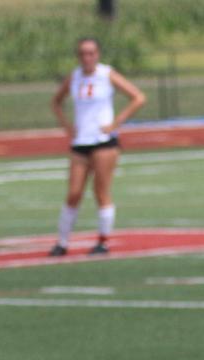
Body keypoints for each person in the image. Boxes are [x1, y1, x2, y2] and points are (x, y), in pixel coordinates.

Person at [49, 37, 146, 256]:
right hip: (80, 142)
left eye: (91, 53)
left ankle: (103, 241)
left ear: (98, 54)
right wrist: (67, 126)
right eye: (83, 53)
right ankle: (62, 242)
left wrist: (116, 122)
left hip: (104, 142)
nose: (87, 57)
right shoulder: (74, 77)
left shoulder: (106, 74)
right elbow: (56, 102)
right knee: (73, 193)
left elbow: (138, 97)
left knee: (100, 192)